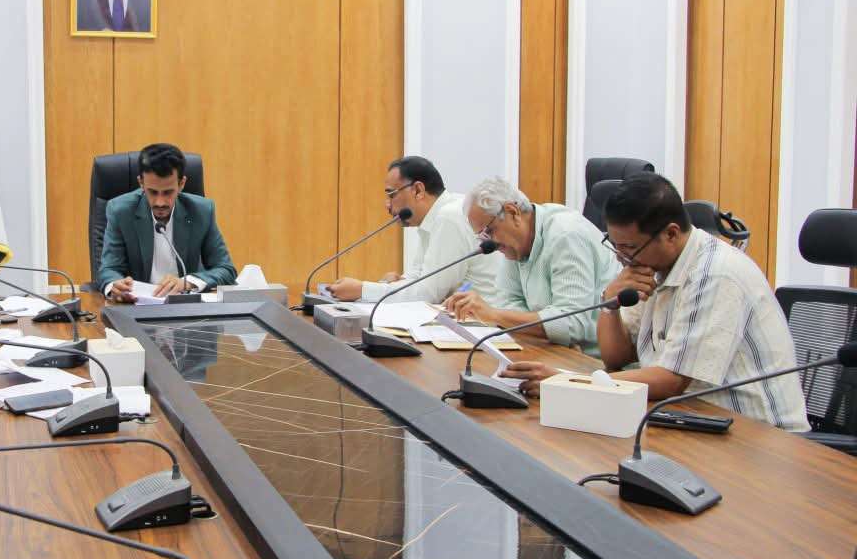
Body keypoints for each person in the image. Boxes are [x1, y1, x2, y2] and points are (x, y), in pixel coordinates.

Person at [500, 173, 808, 430]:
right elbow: (616, 356)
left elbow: (672, 380)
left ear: (671, 234)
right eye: (615, 246)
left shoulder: (715, 274)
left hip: (758, 435)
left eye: (629, 248)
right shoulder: (650, 268)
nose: (622, 258)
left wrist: (570, 382)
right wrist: (610, 304)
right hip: (689, 416)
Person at [444, 177, 619, 356]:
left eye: (489, 231)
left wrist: (494, 315)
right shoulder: (515, 244)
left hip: (596, 360)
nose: (490, 244)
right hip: (554, 349)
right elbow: (507, 301)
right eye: (482, 237)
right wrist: (546, 329)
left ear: (513, 212)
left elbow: (572, 323)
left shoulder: (566, 235)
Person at [326, 156, 500, 304]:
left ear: (418, 190)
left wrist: (362, 289)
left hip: (482, 324)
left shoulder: (449, 216)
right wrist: (388, 284)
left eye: (392, 195)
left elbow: (428, 294)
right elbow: (416, 278)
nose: (387, 205)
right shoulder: (433, 218)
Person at [98, 143, 236, 302]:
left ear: (181, 184)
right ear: (141, 183)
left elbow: (226, 270)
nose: (160, 202)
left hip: (184, 307)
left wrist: (188, 282)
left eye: (168, 192)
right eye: (153, 192)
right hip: (137, 306)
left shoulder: (202, 211)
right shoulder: (120, 211)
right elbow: (109, 270)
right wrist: (115, 286)